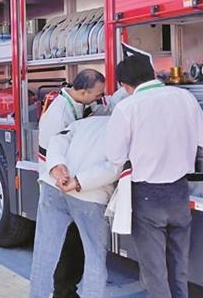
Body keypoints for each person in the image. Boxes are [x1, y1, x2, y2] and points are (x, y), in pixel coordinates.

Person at [105, 55, 203, 298]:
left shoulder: (127, 108)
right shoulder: (184, 97)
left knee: (155, 270)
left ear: (124, 85)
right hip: (179, 192)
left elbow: (115, 157)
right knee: (179, 265)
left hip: (146, 195)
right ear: (152, 72)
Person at [30, 69, 106, 298]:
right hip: (61, 186)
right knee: (62, 251)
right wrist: (74, 180)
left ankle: (64, 291)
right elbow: (54, 155)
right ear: (82, 92)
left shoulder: (76, 104)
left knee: (64, 250)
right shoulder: (58, 115)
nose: (100, 99)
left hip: (66, 187)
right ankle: (63, 292)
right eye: (97, 95)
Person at [43, 115, 124, 298]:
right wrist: (79, 182)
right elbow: (115, 167)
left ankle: (63, 292)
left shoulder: (83, 123)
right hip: (90, 195)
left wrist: (58, 168)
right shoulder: (120, 127)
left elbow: (57, 139)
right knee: (93, 257)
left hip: (63, 188)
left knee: (69, 245)